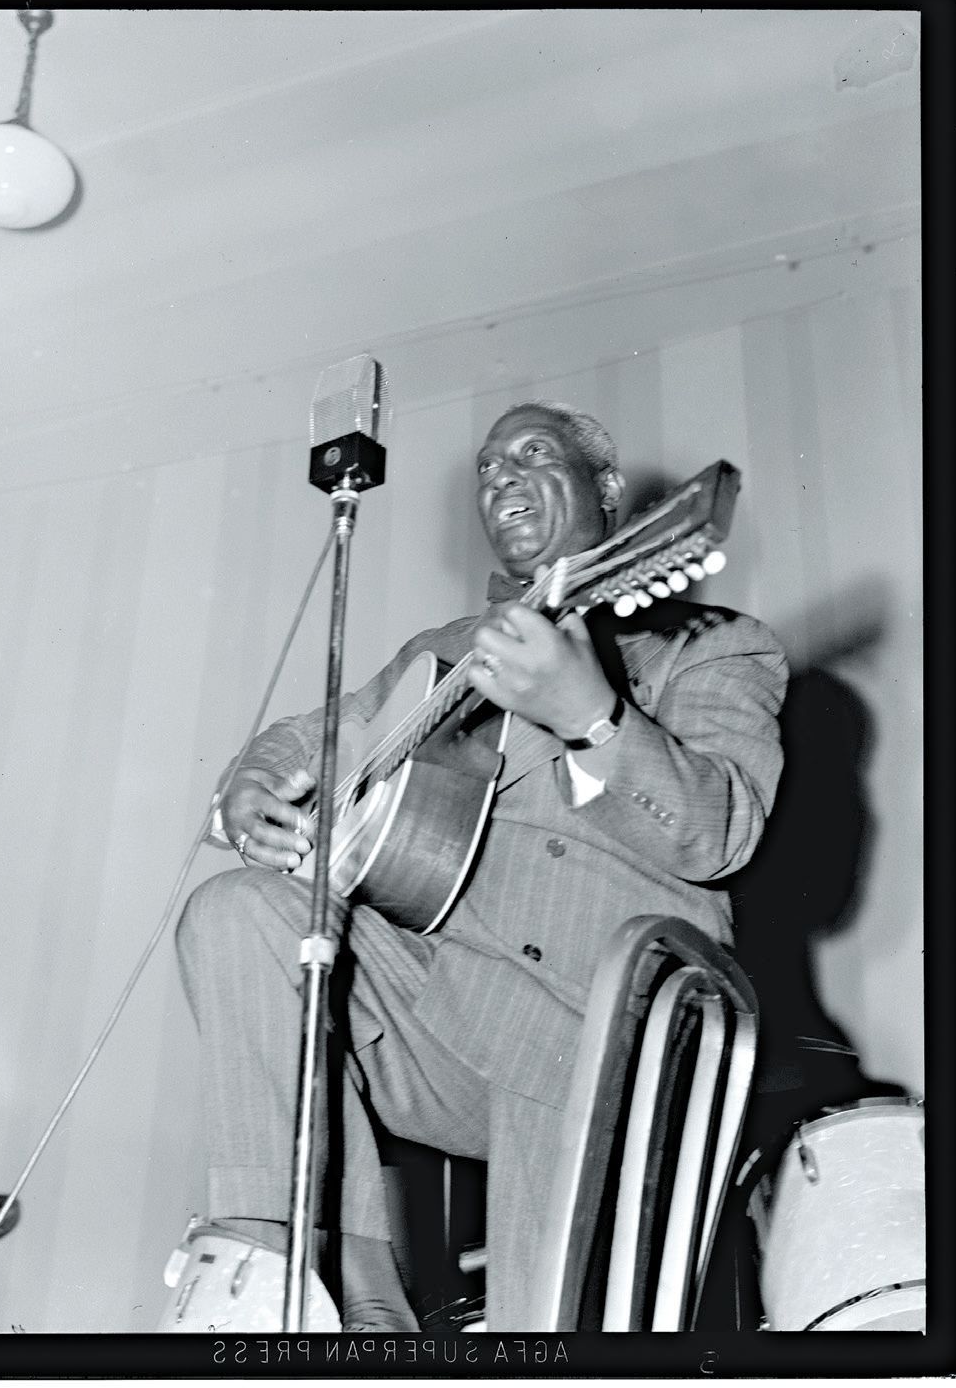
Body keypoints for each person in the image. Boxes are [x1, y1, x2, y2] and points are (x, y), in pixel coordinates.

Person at [173, 401, 788, 1330]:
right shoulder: (441, 654)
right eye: (487, 466)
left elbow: (721, 831)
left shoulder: (711, 646)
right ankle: (307, 1286)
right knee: (239, 911)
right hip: (446, 1019)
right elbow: (307, 736)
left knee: (544, 1337)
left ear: (608, 494)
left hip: (604, 1030)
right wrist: (251, 786)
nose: (499, 475)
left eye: (532, 454)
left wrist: (592, 714)